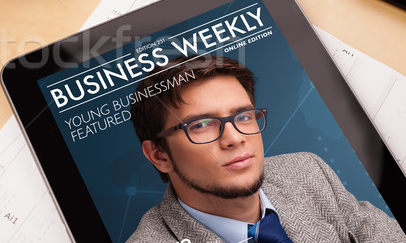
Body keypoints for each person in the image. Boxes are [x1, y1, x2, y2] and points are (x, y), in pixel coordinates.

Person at [127, 55, 405, 243]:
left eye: (243, 116)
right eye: (201, 125)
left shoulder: (307, 169)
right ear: (159, 155)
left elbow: (378, 230)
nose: (234, 138)